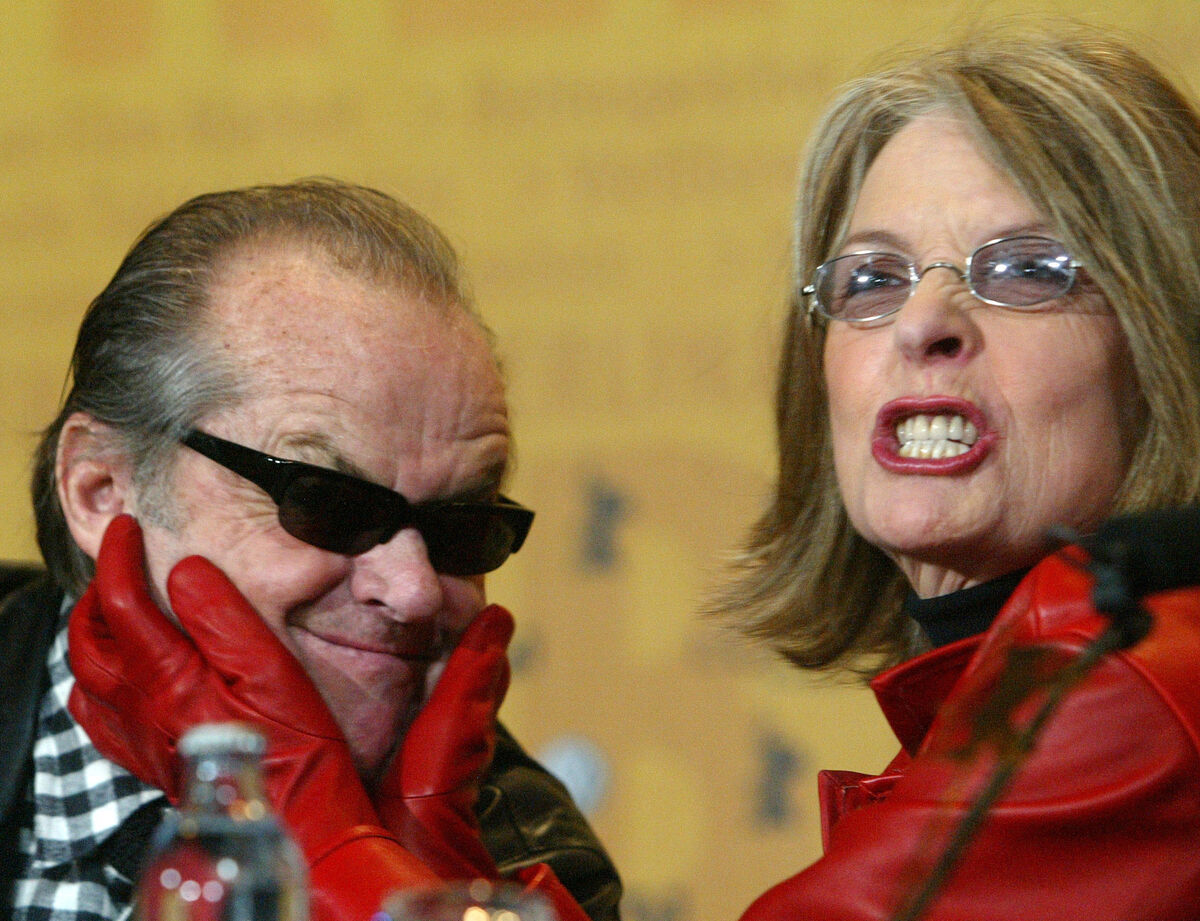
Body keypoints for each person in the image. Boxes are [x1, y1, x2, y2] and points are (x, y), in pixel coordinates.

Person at [0, 179, 621, 921]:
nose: (415, 589)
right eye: (327, 503)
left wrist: (359, 866)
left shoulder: (539, 869)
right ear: (100, 489)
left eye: (460, 526)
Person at [709, 28, 1200, 921]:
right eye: (872, 279)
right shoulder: (992, 700)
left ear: (1163, 343)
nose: (921, 322)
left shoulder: (1131, 682)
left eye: (1024, 269)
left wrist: (408, 846)